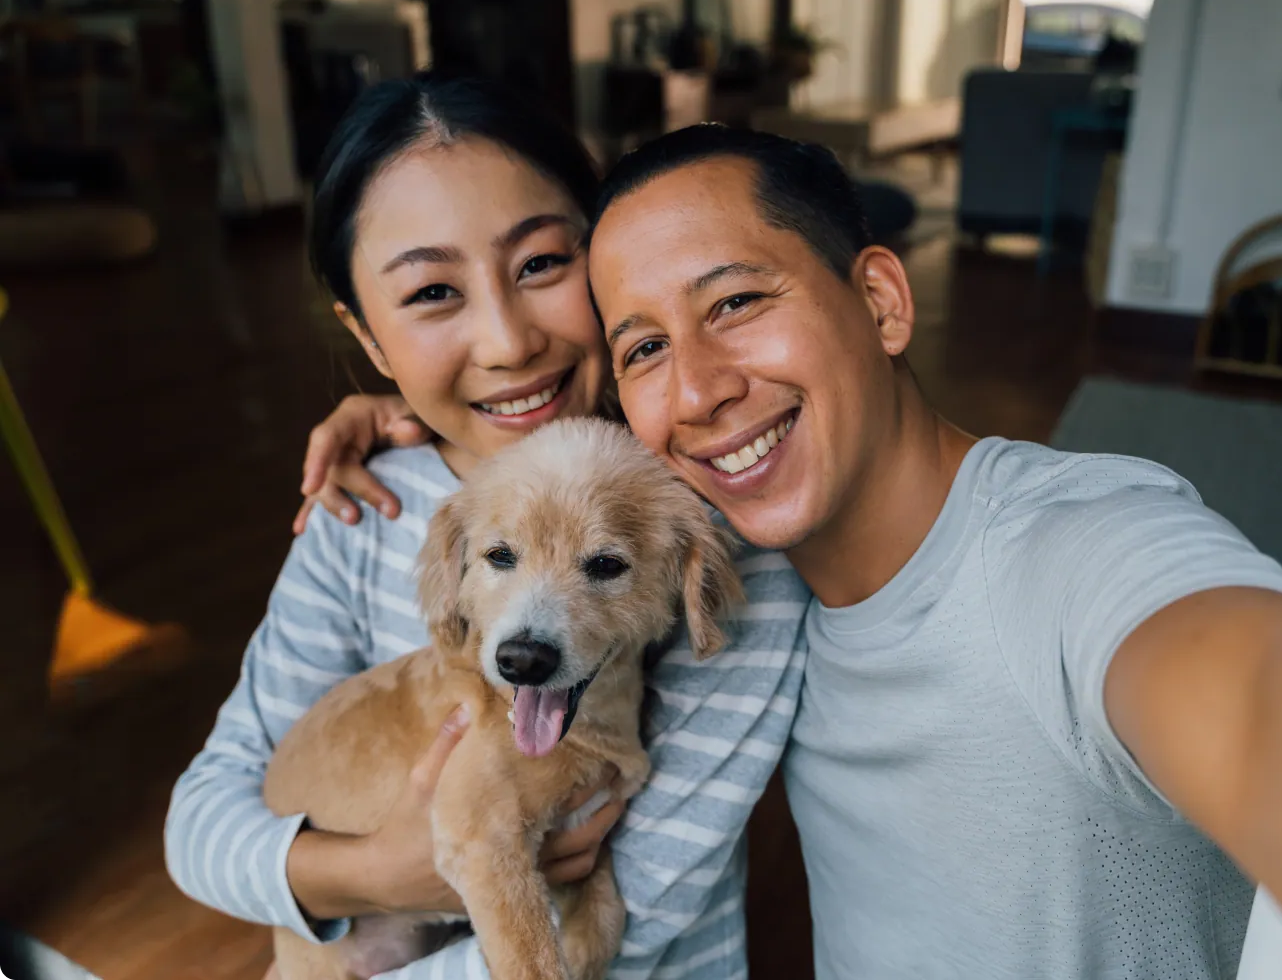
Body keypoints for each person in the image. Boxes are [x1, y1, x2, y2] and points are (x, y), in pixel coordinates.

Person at [314, 124, 1282, 979]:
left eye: (736, 301)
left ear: (879, 298)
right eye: (644, 346)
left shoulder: (1074, 544)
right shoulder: (712, 554)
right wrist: (411, 414)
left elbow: (1254, 687)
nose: (697, 389)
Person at [163, 78, 809, 980]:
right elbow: (199, 829)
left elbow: (648, 903)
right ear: (372, 341)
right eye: (432, 290)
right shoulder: (358, 517)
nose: (508, 341)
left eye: (543, 264)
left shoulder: (714, 519)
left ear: (609, 259)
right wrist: (381, 875)